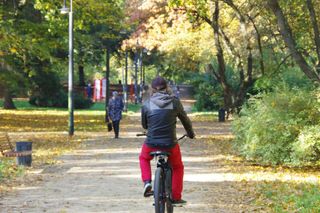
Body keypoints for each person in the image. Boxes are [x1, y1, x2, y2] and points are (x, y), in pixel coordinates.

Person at [139, 76, 195, 204]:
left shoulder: (147, 104)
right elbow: (185, 120)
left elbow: (145, 125)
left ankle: (147, 182)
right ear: (167, 87)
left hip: (151, 143)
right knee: (177, 167)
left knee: (143, 158)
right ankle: (175, 197)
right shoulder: (174, 102)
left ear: (152, 89)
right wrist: (190, 133)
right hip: (170, 144)